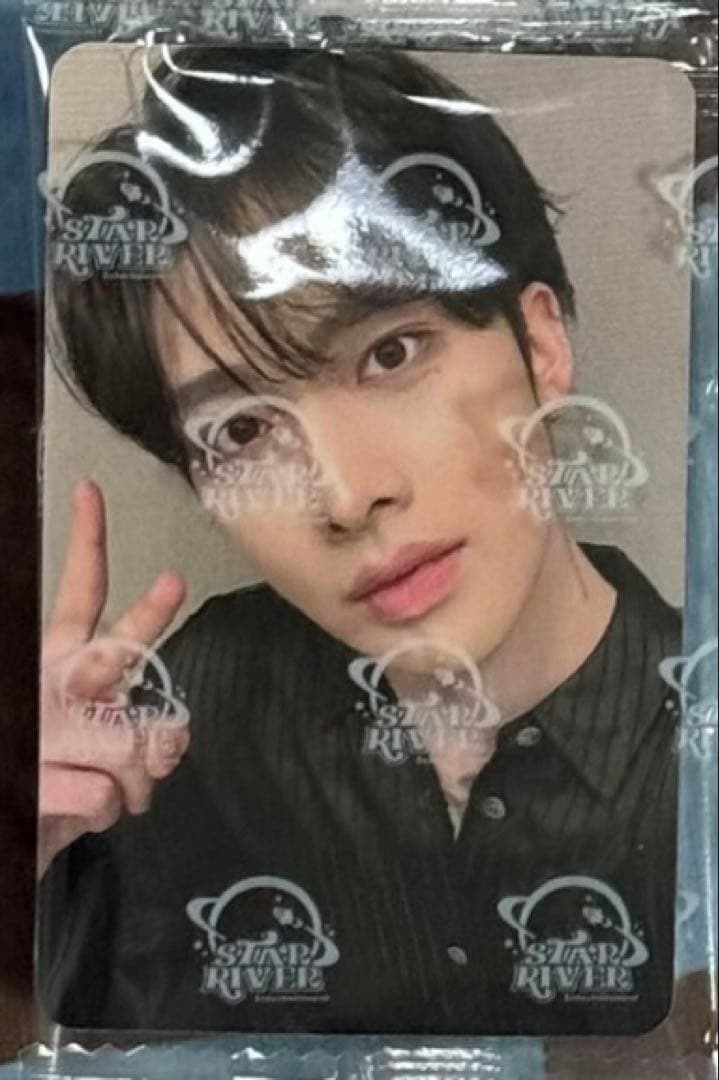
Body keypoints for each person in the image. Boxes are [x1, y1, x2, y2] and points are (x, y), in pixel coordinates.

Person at [39, 46, 681, 1036]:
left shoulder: (690, 742)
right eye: (242, 432)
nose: (345, 496)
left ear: (540, 346)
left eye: (389, 353)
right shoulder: (185, 713)